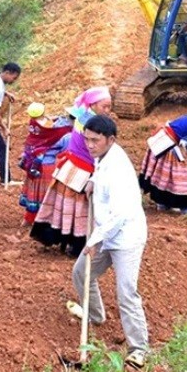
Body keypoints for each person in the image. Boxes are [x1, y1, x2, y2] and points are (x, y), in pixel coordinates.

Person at [69, 114, 149, 369]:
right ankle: (94, 315)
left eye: (95, 141)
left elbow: (120, 213)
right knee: (81, 272)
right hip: (105, 232)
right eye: (87, 140)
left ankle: (138, 349)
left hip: (125, 236)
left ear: (110, 140)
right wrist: (93, 180)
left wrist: (93, 241)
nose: (90, 145)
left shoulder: (119, 169)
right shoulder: (104, 158)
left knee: (126, 292)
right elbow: (99, 170)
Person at [30, 86, 112, 257]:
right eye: (104, 106)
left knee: (65, 207)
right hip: (81, 172)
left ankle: (64, 239)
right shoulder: (93, 123)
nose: (108, 110)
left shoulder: (82, 115)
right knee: (80, 210)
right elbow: (99, 150)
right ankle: (78, 245)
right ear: (93, 105)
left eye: (109, 106)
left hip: (71, 169)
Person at [18, 102, 73, 226]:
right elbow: (65, 151)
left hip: (32, 163)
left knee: (33, 191)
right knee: (45, 194)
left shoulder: (35, 126)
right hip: (47, 166)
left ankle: (28, 219)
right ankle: (43, 221)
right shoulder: (65, 134)